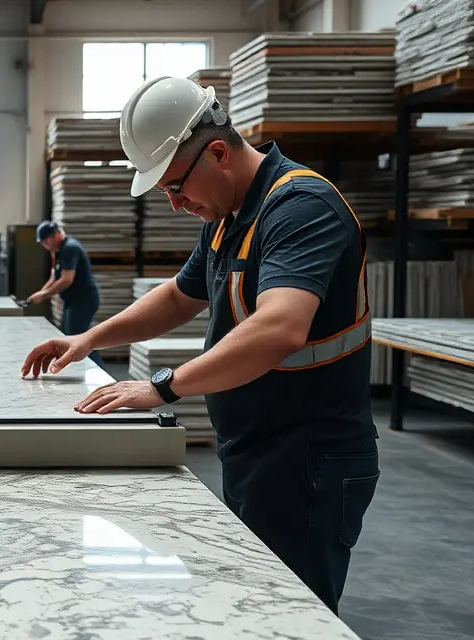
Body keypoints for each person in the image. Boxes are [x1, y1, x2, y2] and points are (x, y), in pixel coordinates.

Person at [20, 75, 379, 615]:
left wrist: (163, 387)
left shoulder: (300, 207)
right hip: (257, 450)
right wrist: (88, 337)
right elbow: (178, 296)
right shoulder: (230, 215)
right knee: (254, 604)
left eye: (175, 187)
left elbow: (280, 327)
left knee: (289, 614)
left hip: (309, 459)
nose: (174, 203)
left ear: (217, 152)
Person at [26, 220, 104, 368]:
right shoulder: (59, 251)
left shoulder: (70, 248)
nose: (45, 245)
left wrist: (44, 295)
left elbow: (66, 280)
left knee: (81, 340)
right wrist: (40, 293)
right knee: (71, 334)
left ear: (55, 235)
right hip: (73, 301)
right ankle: (86, 369)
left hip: (83, 300)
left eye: (45, 241)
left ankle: (100, 372)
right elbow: (54, 277)